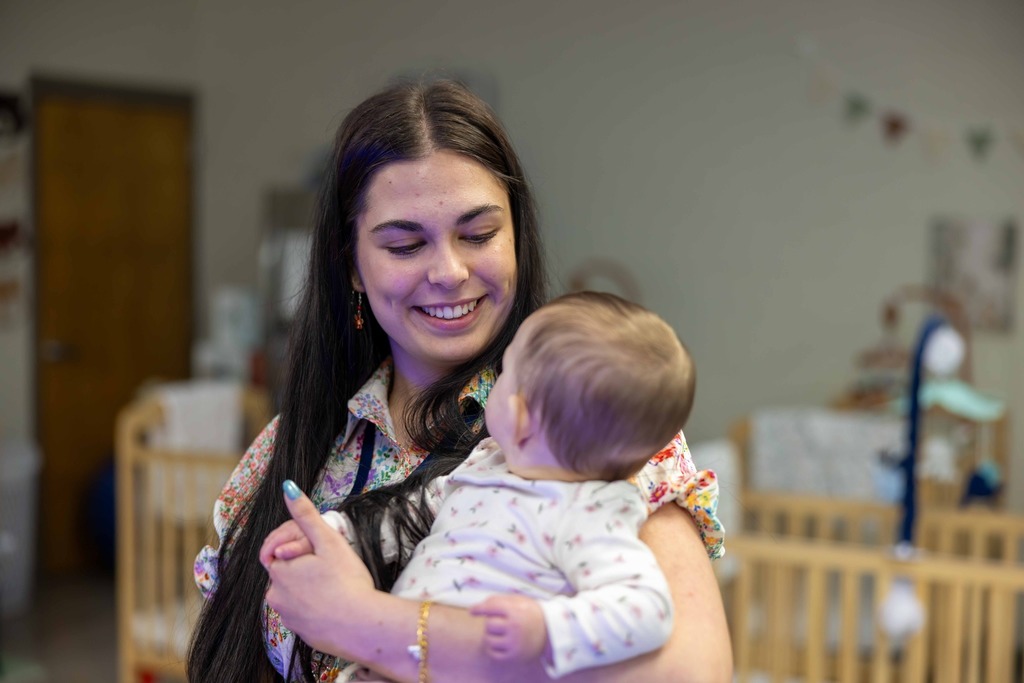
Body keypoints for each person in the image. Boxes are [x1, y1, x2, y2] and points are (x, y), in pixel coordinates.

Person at [187, 78, 732, 683]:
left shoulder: (597, 423)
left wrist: (369, 625)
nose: (449, 271)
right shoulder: (291, 447)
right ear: (353, 268)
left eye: (478, 235)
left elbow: (690, 672)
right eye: (404, 244)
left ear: (516, 236)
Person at [262, 291, 723, 680]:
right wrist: (333, 533)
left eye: (507, 374)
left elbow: (646, 609)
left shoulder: (591, 511)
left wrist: (548, 630)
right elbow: (411, 513)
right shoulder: (489, 464)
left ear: (518, 418)